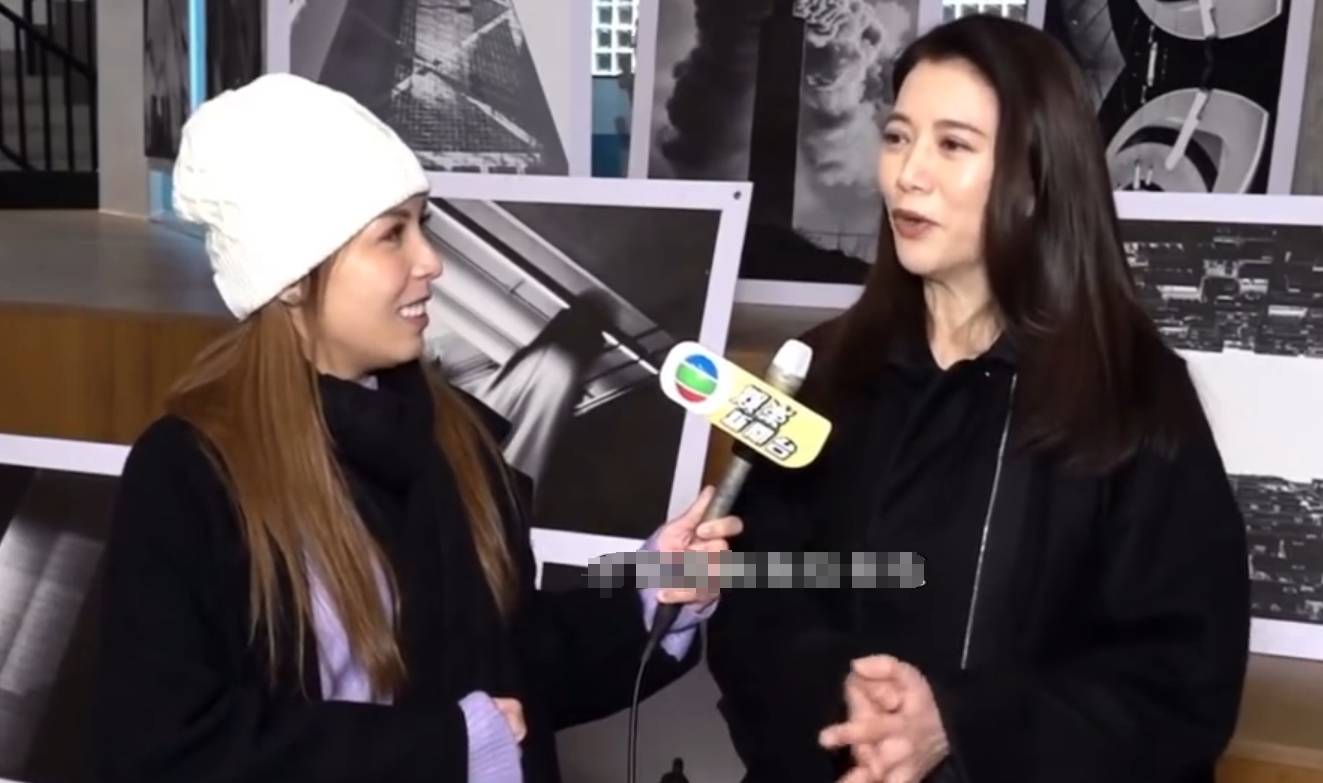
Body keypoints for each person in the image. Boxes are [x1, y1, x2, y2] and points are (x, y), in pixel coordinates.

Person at [92, 73, 741, 783]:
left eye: (422, 225)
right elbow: (165, 746)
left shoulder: (456, 436)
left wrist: (650, 595)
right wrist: (447, 748)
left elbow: (514, 664)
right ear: (290, 275)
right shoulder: (192, 470)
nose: (430, 262)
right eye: (391, 235)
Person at [707, 15, 1249, 783]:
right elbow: (753, 601)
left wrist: (956, 725)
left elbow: (1180, 682)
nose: (908, 174)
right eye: (897, 137)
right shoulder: (816, 371)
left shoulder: (1132, 394)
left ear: (1036, 178)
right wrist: (854, 708)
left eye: (952, 145)